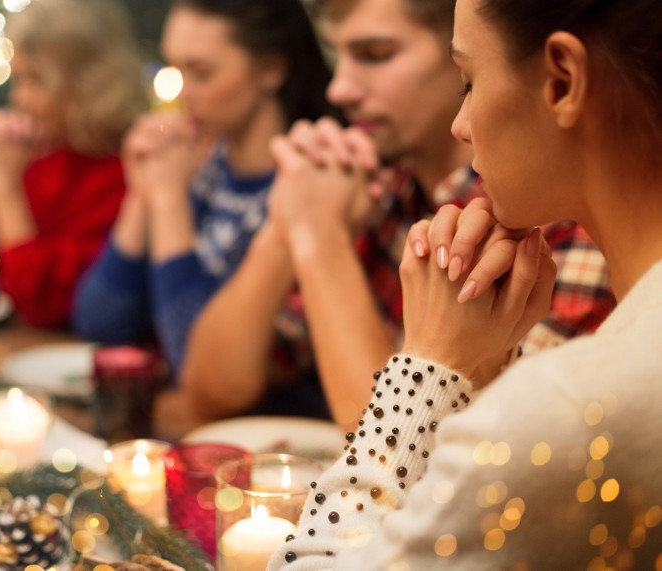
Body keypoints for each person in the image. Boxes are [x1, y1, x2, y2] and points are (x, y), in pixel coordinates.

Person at [269, 0, 662, 568]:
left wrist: (426, 368)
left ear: (563, 80)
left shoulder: (572, 409)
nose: (461, 124)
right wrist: (478, 376)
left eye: (468, 81)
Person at [180, 0, 615, 431]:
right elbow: (212, 389)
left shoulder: (551, 209)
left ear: (463, 56)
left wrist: (319, 238)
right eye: (338, 55)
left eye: (375, 55)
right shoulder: (380, 187)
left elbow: (407, 460)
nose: (339, 89)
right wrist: (285, 227)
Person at [72, 0, 340, 390]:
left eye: (200, 73)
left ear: (272, 69)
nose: (180, 96)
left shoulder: (306, 184)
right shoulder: (202, 168)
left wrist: (168, 202)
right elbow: (100, 323)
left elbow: (196, 367)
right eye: (173, 71)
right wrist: (141, 197)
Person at [0, 0, 147, 328]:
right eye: (19, 80)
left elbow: (46, 305)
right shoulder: (38, 155)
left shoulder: (124, 173)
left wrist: (4, 188)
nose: (20, 99)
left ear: (88, 83)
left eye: (37, 81)